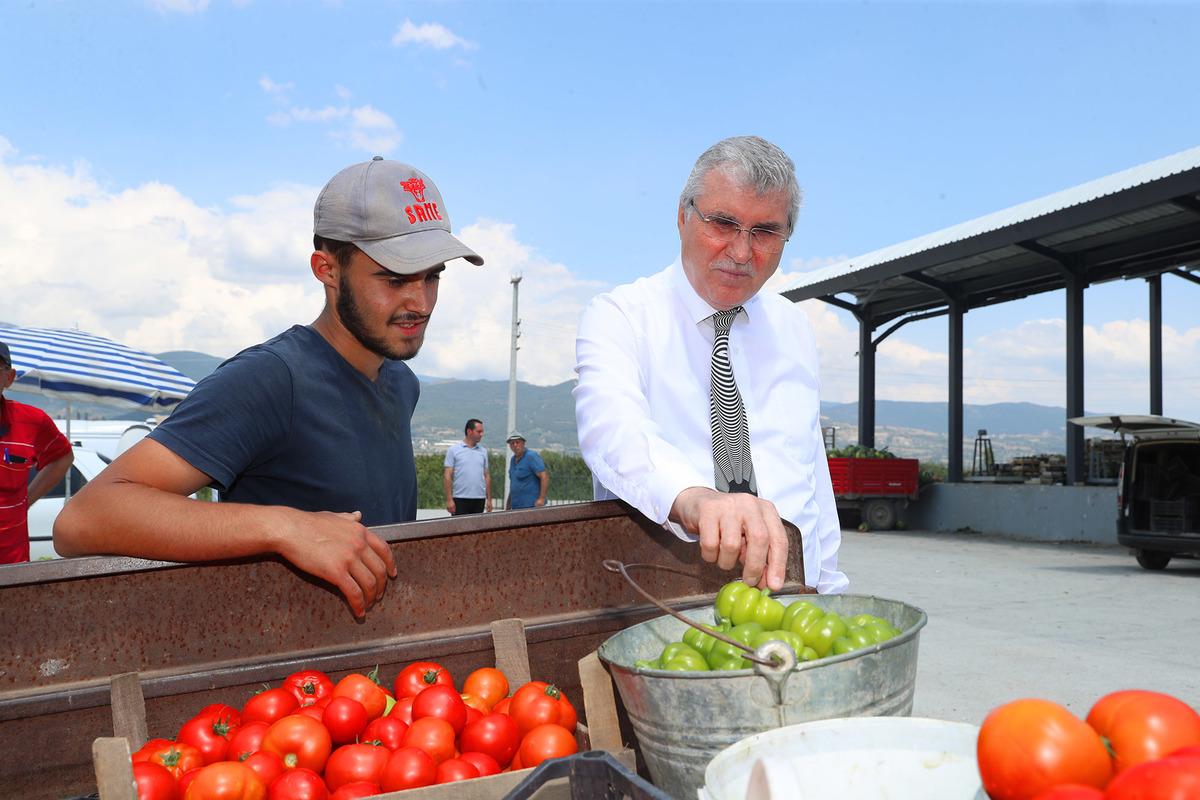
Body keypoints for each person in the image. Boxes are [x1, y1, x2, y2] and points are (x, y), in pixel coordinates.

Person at [54, 157, 484, 616]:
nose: (421, 302)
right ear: (327, 269)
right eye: (394, 279)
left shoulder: (401, 382)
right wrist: (286, 527)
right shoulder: (273, 379)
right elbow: (84, 519)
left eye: (433, 276)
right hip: (278, 655)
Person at [573, 135, 847, 594]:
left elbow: (811, 475)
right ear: (683, 216)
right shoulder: (620, 316)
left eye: (765, 232)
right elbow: (612, 430)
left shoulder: (794, 327)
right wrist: (694, 498)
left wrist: (830, 588)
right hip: (665, 601)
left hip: (794, 601)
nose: (741, 252)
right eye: (723, 223)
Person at [0, 341, 75, 564]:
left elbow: (63, 457)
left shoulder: (33, 421)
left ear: (9, 378)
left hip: (12, 567)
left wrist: (26, 500)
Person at [443, 419, 492, 515]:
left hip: (479, 499)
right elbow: (447, 475)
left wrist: (489, 499)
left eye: (482, 432)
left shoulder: (483, 452)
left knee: (477, 525)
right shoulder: (453, 450)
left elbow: (486, 476)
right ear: (469, 431)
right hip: (460, 498)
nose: (481, 434)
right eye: (479, 431)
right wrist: (449, 499)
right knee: (460, 524)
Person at [505, 432, 548, 509]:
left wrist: (541, 499)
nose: (515, 445)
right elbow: (514, 483)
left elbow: (544, 477)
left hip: (532, 506)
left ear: (523, 443)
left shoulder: (531, 456)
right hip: (516, 507)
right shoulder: (512, 460)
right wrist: (508, 504)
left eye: (517, 442)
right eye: (512, 443)